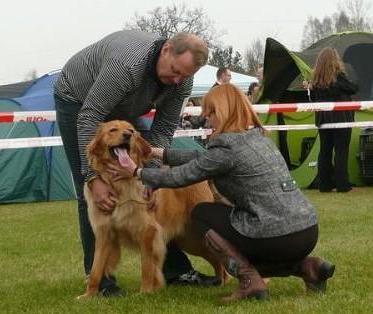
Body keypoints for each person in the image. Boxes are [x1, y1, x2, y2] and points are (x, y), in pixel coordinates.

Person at [112, 83, 335, 303]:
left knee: (202, 213)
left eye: (209, 113)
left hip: (275, 235)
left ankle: (250, 282)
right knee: (252, 241)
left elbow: (179, 177)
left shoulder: (225, 147)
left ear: (221, 111)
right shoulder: (259, 138)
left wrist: (137, 172)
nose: (207, 119)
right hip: (307, 231)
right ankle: (308, 267)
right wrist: (157, 153)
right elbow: (202, 159)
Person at [53, 30, 219, 297]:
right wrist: (92, 179)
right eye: (175, 70)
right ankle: (101, 284)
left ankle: (175, 272)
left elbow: (163, 130)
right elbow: (90, 115)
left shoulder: (181, 82)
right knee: (94, 196)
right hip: (79, 100)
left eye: (185, 76)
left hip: (126, 108)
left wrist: (150, 178)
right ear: (166, 50)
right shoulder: (126, 66)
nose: (177, 80)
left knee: (150, 190)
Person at [310, 48, 358, 192]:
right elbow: (353, 89)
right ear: (334, 61)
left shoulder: (316, 79)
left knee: (325, 151)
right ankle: (343, 185)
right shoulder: (339, 77)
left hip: (323, 119)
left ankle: (324, 185)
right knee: (341, 151)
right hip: (341, 118)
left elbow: (314, 98)